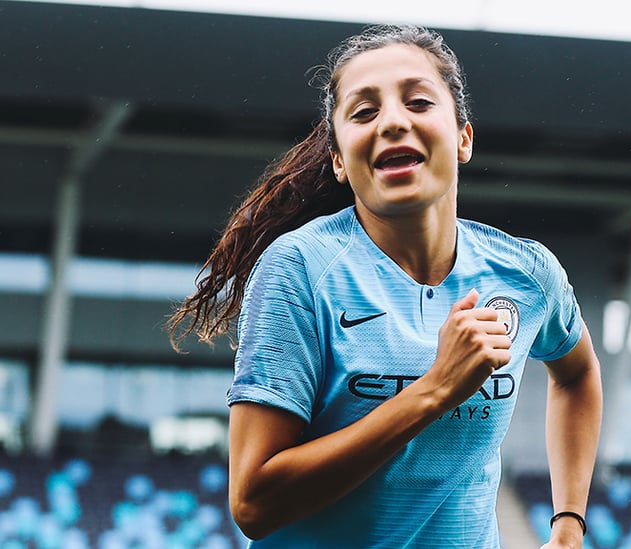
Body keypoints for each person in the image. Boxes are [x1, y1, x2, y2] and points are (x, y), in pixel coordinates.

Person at [169, 23, 603, 549]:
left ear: (463, 137)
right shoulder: (299, 270)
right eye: (364, 111)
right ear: (338, 160)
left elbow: (577, 374)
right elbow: (254, 504)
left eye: (418, 102)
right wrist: (434, 390)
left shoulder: (527, 274)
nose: (394, 121)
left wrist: (568, 524)